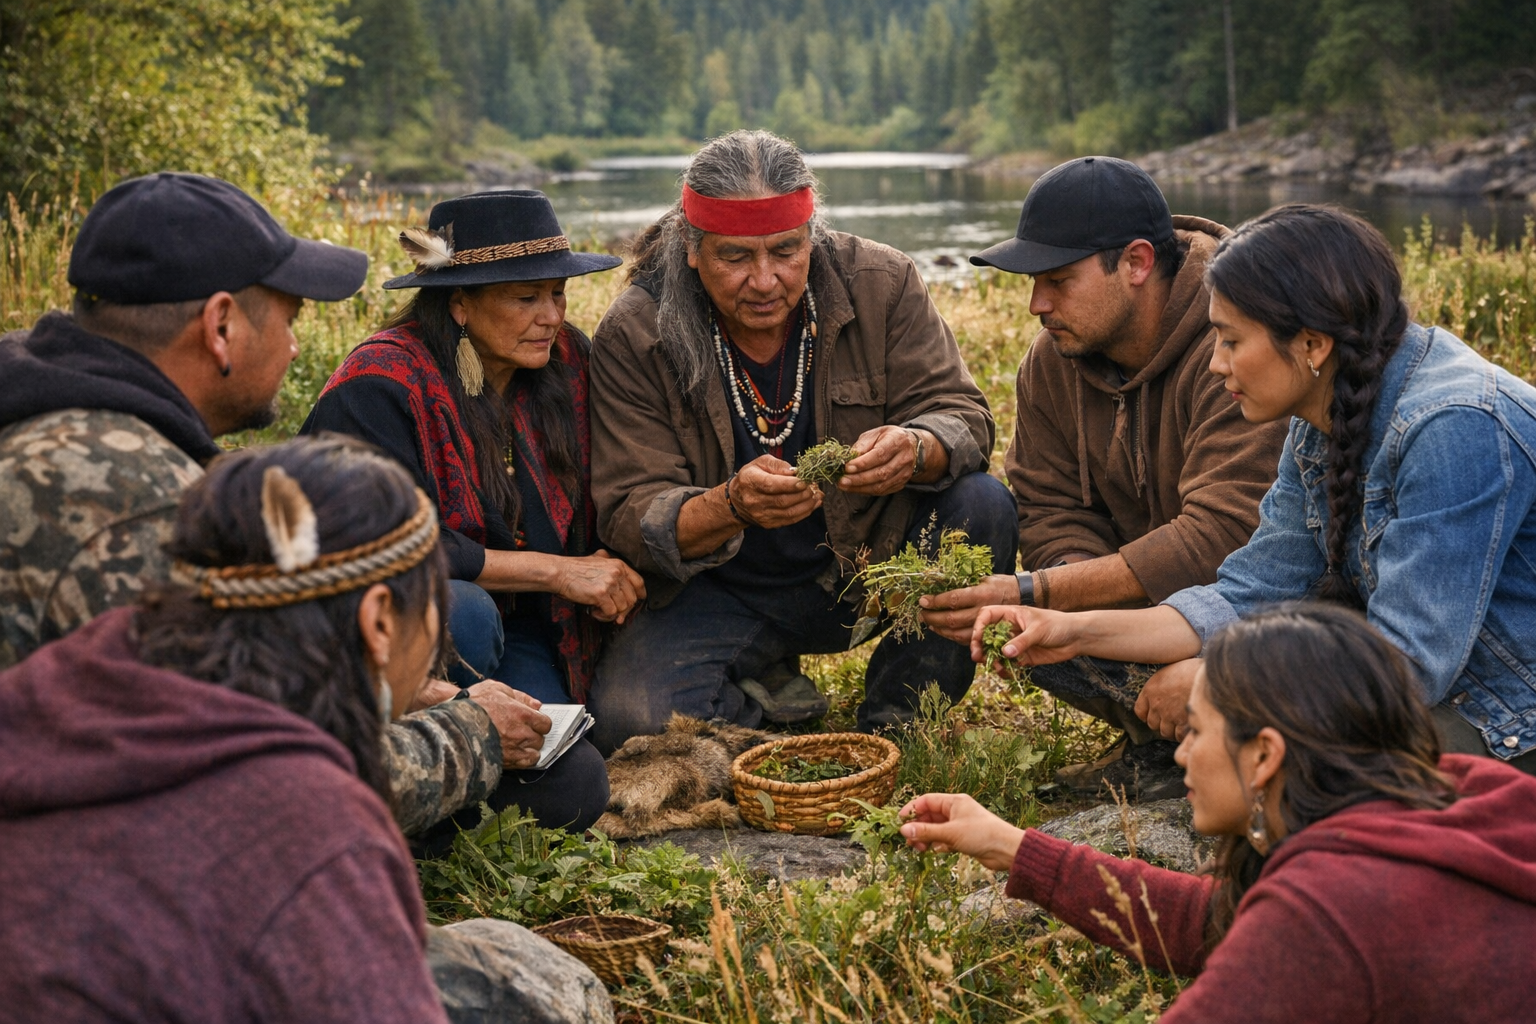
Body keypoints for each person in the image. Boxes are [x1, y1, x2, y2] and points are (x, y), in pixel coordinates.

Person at [0, 172, 538, 837]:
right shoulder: (132, 507)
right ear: (221, 325)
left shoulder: (57, 416)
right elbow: (281, 782)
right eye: (290, 318)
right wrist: (471, 732)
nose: (292, 346)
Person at [0, 437, 611, 1022]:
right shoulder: (316, 830)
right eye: (432, 606)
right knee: (542, 984)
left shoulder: (68, 672)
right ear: (377, 621)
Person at [976, 203, 1536, 771]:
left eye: (1230, 341)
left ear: (1312, 345)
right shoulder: (1317, 415)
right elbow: (1248, 592)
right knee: (1083, 662)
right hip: (1427, 698)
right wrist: (1066, 628)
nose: (1217, 365)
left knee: (1264, 758)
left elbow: (1409, 665)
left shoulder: (1455, 424)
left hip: (1507, 722)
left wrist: (1218, 683)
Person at [586, 129, 1016, 750]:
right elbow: (629, 512)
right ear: (690, 249)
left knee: (983, 505)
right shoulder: (639, 330)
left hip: (865, 566)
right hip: (721, 591)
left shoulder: (882, 281)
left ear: (811, 237)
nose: (764, 281)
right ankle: (767, 701)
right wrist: (728, 506)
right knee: (632, 717)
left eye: (786, 251)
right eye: (735, 257)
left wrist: (918, 446)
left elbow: (962, 414)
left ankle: (899, 721)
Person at [901, 604, 1536, 1022]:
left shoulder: (1329, 905)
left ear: (1264, 756)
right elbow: (1214, 922)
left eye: (1197, 731)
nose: (1180, 752)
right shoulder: (1457, 790)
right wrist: (1013, 847)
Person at [919, 157, 1287, 800]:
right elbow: (1046, 505)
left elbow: (1225, 536)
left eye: (1058, 280)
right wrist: (1063, 593)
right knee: (1025, 630)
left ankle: (1218, 730)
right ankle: (1166, 739)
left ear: (1137, 263)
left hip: (1250, 609)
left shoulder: (1236, 346)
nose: (1037, 305)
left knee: (1037, 604)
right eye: (1035, 282)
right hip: (1145, 612)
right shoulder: (1052, 361)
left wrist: (1045, 589)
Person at [303, 190, 627, 835]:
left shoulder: (565, 366)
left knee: (575, 777)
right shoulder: (380, 386)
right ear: (458, 303)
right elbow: (382, 546)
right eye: (523, 298)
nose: (550, 317)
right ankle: (363, 772)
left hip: (524, 630)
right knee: (462, 611)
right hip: (382, 642)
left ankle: (417, 809)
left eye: (557, 294)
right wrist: (557, 572)